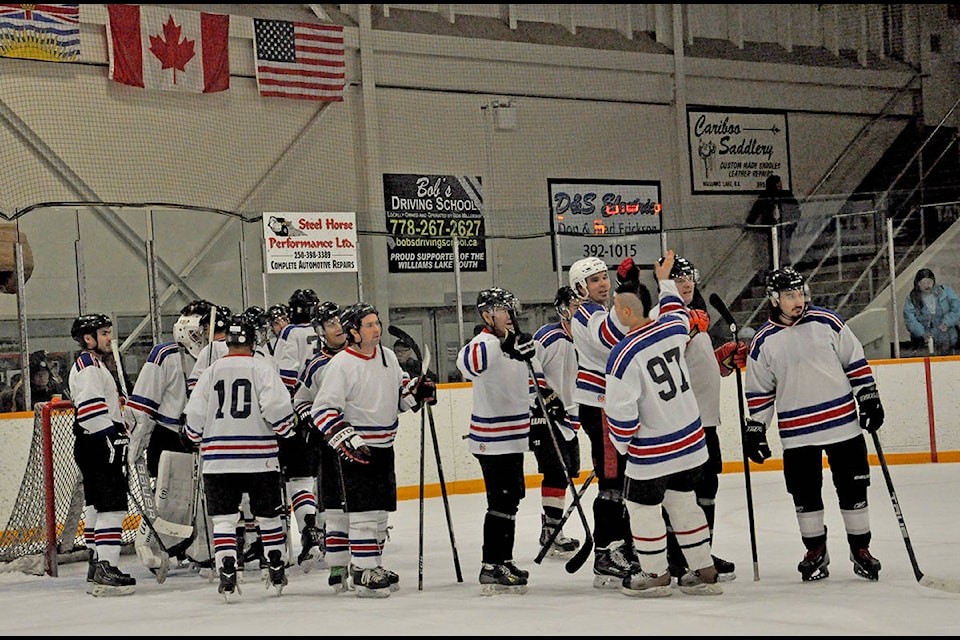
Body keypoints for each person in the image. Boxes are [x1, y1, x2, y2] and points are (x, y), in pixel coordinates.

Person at [743, 266, 885, 583]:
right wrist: (756, 429)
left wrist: (869, 397)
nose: (798, 300)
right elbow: (760, 392)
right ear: (774, 299)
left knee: (854, 490)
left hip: (843, 427)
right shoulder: (763, 341)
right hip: (797, 435)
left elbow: (855, 363)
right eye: (790, 295)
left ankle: (860, 549)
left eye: (800, 293)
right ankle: (815, 550)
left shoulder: (827, 322)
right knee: (805, 496)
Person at [604, 250, 723, 597]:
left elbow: (621, 412)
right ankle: (704, 570)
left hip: (654, 450)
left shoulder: (623, 353)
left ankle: (656, 574)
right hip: (691, 442)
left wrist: (626, 447)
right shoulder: (672, 326)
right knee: (684, 502)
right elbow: (673, 305)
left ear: (625, 313)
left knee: (642, 508)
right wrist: (664, 279)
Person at [310, 302, 435, 598]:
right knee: (364, 513)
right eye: (368, 325)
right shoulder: (342, 364)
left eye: (377, 323)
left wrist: (418, 392)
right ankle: (364, 570)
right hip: (357, 449)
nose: (376, 329)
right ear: (353, 331)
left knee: (380, 514)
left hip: (384, 446)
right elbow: (322, 410)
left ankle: (371, 564)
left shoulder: (388, 357)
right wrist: (346, 437)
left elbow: (401, 397)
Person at [639, 255, 745, 581]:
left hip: (706, 420)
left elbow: (695, 367)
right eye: (676, 278)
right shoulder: (662, 316)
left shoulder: (693, 316)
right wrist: (687, 328)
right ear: (663, 283)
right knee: (680, 493)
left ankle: (701, 552)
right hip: (683, 424)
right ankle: (676, 557)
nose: (685, 283)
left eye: (688, 277)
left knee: (707, 486)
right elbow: (664, 363)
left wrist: (722, 361)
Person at [181, 313, 298, 598]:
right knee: (269, 518)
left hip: (218, 459)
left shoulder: (210, 372)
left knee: (223, 520)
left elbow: (194, 418)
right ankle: (275, 564)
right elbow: (277, 411)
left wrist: (193, 437)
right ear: (253, 340)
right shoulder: (262, 369)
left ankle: (227, 568)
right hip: (260, 458)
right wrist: (288, 431)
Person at [457, 287, 562, 595]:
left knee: (512, 497)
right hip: (492, 440)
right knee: (501, 500)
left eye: (512, 310)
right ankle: (491, 565)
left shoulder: (520, 342)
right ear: (488, 315)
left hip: (515, 438)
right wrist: (504, 343)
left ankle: (504, 560)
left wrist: (548, 397)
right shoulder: (484, 343)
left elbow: (534, 378)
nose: (512, 316)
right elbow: (468, 364)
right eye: (505, 311)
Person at [125, 300, 213, 573]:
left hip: (204, 436)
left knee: (203, 498)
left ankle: (198, 550)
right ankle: (153, 546)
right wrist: (138, 440)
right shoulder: (164, 354)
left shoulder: (214, 353)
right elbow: (143, 403)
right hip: (171, 434)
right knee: (169, 496)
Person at [567, 256, 634, 589]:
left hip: (618, 405)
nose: (602, 284)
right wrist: (627, 292)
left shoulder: (602, 311)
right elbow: (611, 335)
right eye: (594, 280)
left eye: (605, 278)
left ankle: (623, 545)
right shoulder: (585, 313)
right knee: (611, 482)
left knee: (622, 479)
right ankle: (607, 553)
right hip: (601, 407)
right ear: (580, 288)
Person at [68, 313, 137, 596]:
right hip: (98, 443)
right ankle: (106, 567)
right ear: (89, 338)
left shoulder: (95, 364)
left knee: (97, 506)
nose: (110, 338)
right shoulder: (88, 366)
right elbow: (90, 411)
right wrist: (112, 438)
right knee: (113, 506)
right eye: (105, 333)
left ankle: (97, 564)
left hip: (94, 444)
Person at [292, 301, 351, 589]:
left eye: (340, 320)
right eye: (330, 324)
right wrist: (313, 420)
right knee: (333, 500)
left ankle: (367, 557)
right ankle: (337, 557)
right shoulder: (315, 364)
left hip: (363, 440)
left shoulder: (366, 356)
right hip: (331, 441)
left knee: (366, 504)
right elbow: (301, 400)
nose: (338, 327)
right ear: (320, 330)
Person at [273, 288, 325, 573]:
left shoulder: (290, 333)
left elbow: (284, 376)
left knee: (299, 480)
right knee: (320, 479)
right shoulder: (325, 330)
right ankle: (331, 535)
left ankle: (309, 533)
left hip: (300, 415)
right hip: (328, 415)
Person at [530, 285, 583, 559]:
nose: (581, 312)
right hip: (545, 417)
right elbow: (527, 370)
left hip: (571, 419)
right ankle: (551, 532)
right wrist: (541, 400)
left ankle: (551, 530)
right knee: (555, 472)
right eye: (576, 307)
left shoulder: (588, 339)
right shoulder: (548, 337)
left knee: (566, 473)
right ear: (563, 309)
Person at [746, 174, 801, 269]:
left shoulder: (785, 194)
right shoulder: (765, 196)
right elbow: (756, 210)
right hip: (771, 226)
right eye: (778, 184)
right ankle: (774, 266)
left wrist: (793, 221)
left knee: (785, 246)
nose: (780, 186)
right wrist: (749, 223)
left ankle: (784, 264)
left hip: (785, 225)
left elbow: (795, 207)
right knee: (773, 247)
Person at [902, 267, 960, 356]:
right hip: (925, 341)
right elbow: (910, 319)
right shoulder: (912, 298)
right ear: (917, 284)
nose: (927, 286)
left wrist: (947, 322)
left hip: (949, 338)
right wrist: (921, 333)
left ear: (933, 282)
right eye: (923, 283)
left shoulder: (945, 292)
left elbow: (957, 309)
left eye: (929, 282)